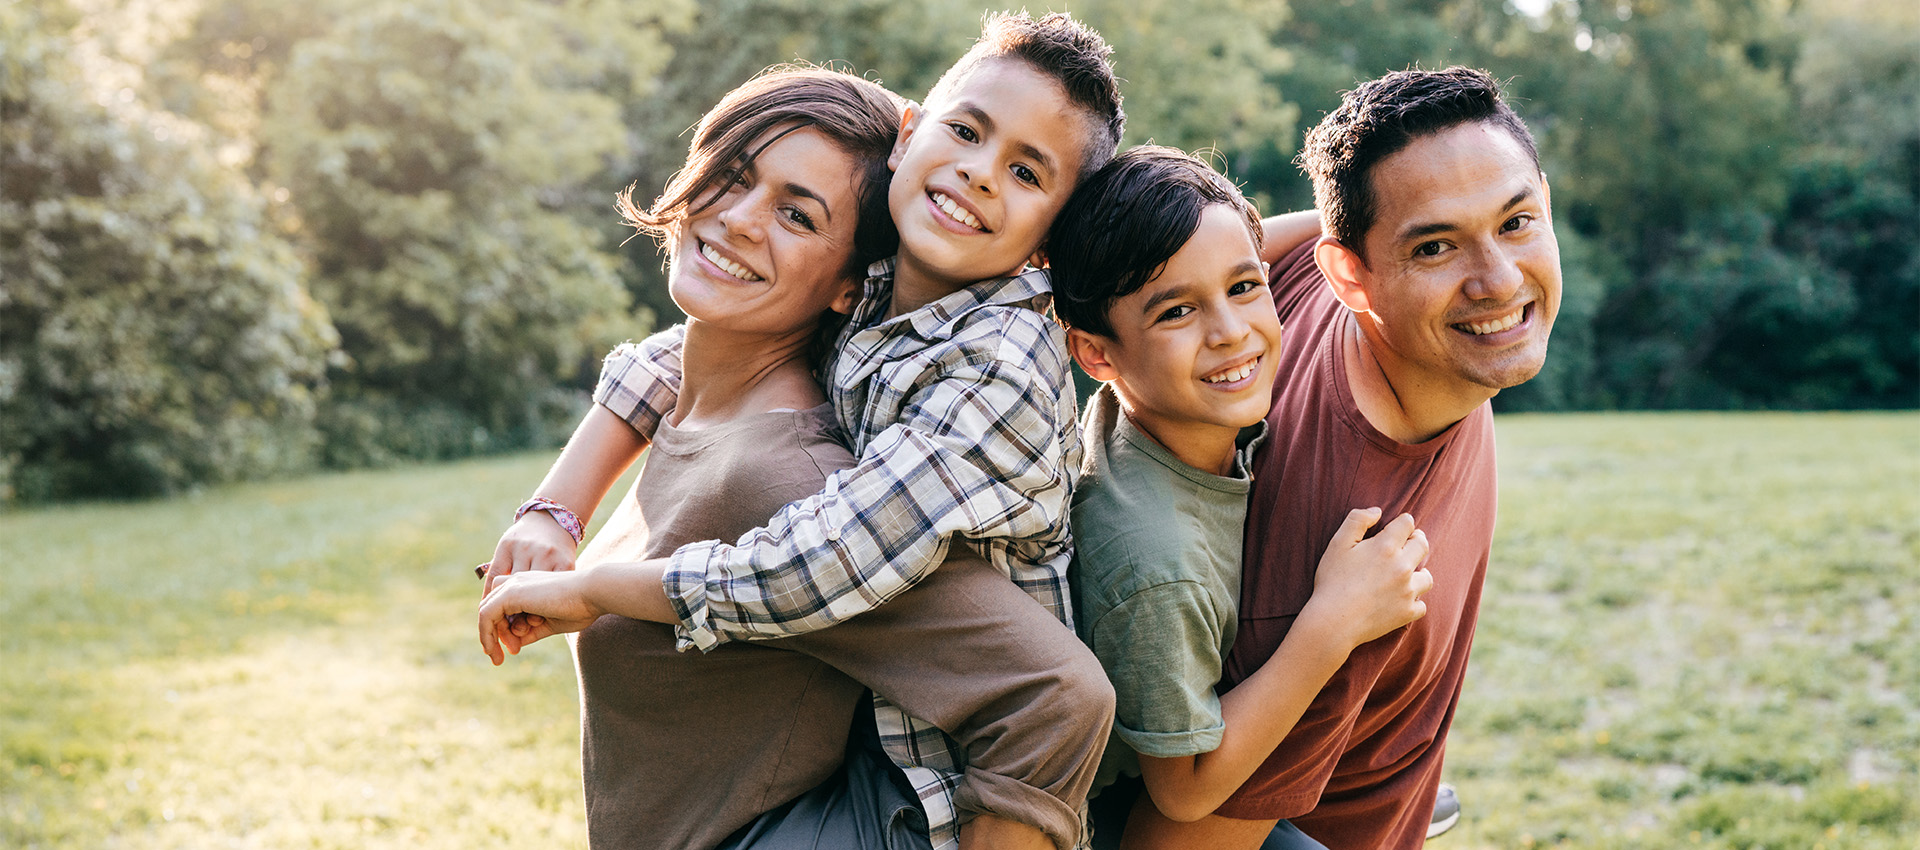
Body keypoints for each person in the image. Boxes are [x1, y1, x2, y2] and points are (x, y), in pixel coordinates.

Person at [477, 12, 1128, 850]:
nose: (975, 173)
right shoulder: (891, 303)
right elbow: (687, 354)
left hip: (918, 801)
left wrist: (594, 589)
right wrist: (556, 510)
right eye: (963, 131)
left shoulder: (961, 387)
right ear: (911, 137)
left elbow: (1049, 688)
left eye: (798, 215)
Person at [1129, 66, 1560, 849]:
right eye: (1436, 246)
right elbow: (1174, 839)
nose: (1498, 281)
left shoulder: (1276, 283)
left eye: (1515, 221)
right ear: (1353, 276)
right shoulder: (1348, 564)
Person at [1046, 146, 1434, 850]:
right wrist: (1333, 624)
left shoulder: (1157, 408)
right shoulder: (1156, 560)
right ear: (1096, 354)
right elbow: (1183, 790)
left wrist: (1390, 218)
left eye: (1246, 287)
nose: (1229, 332)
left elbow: (1240, 243)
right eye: (1177, 312)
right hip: (1110, 817)